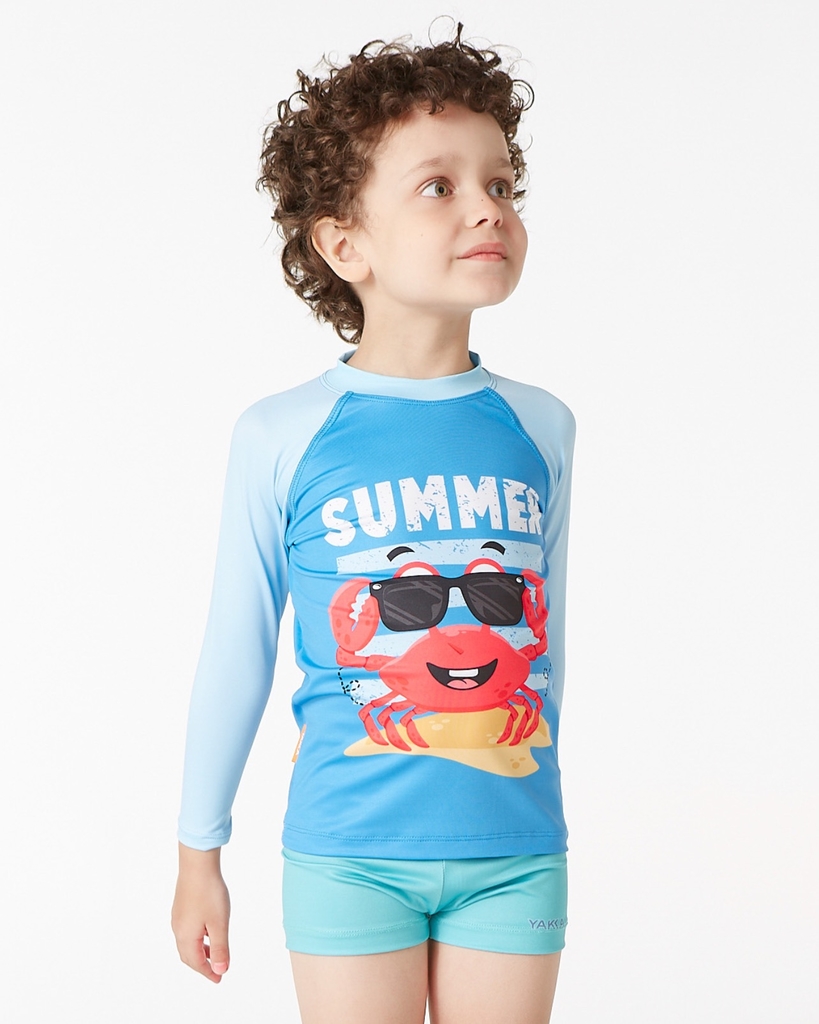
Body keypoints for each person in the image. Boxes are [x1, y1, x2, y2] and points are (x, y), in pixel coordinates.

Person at [171, 25, 575, 1024]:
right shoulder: (282, 434)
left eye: (501, 184)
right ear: (343, 243)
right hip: (346, 853)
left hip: (514, 854)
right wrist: (199, 851)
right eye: (439, 186)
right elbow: (238, 645)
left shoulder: (541, 426)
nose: (487, 207)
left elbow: (546, 640)